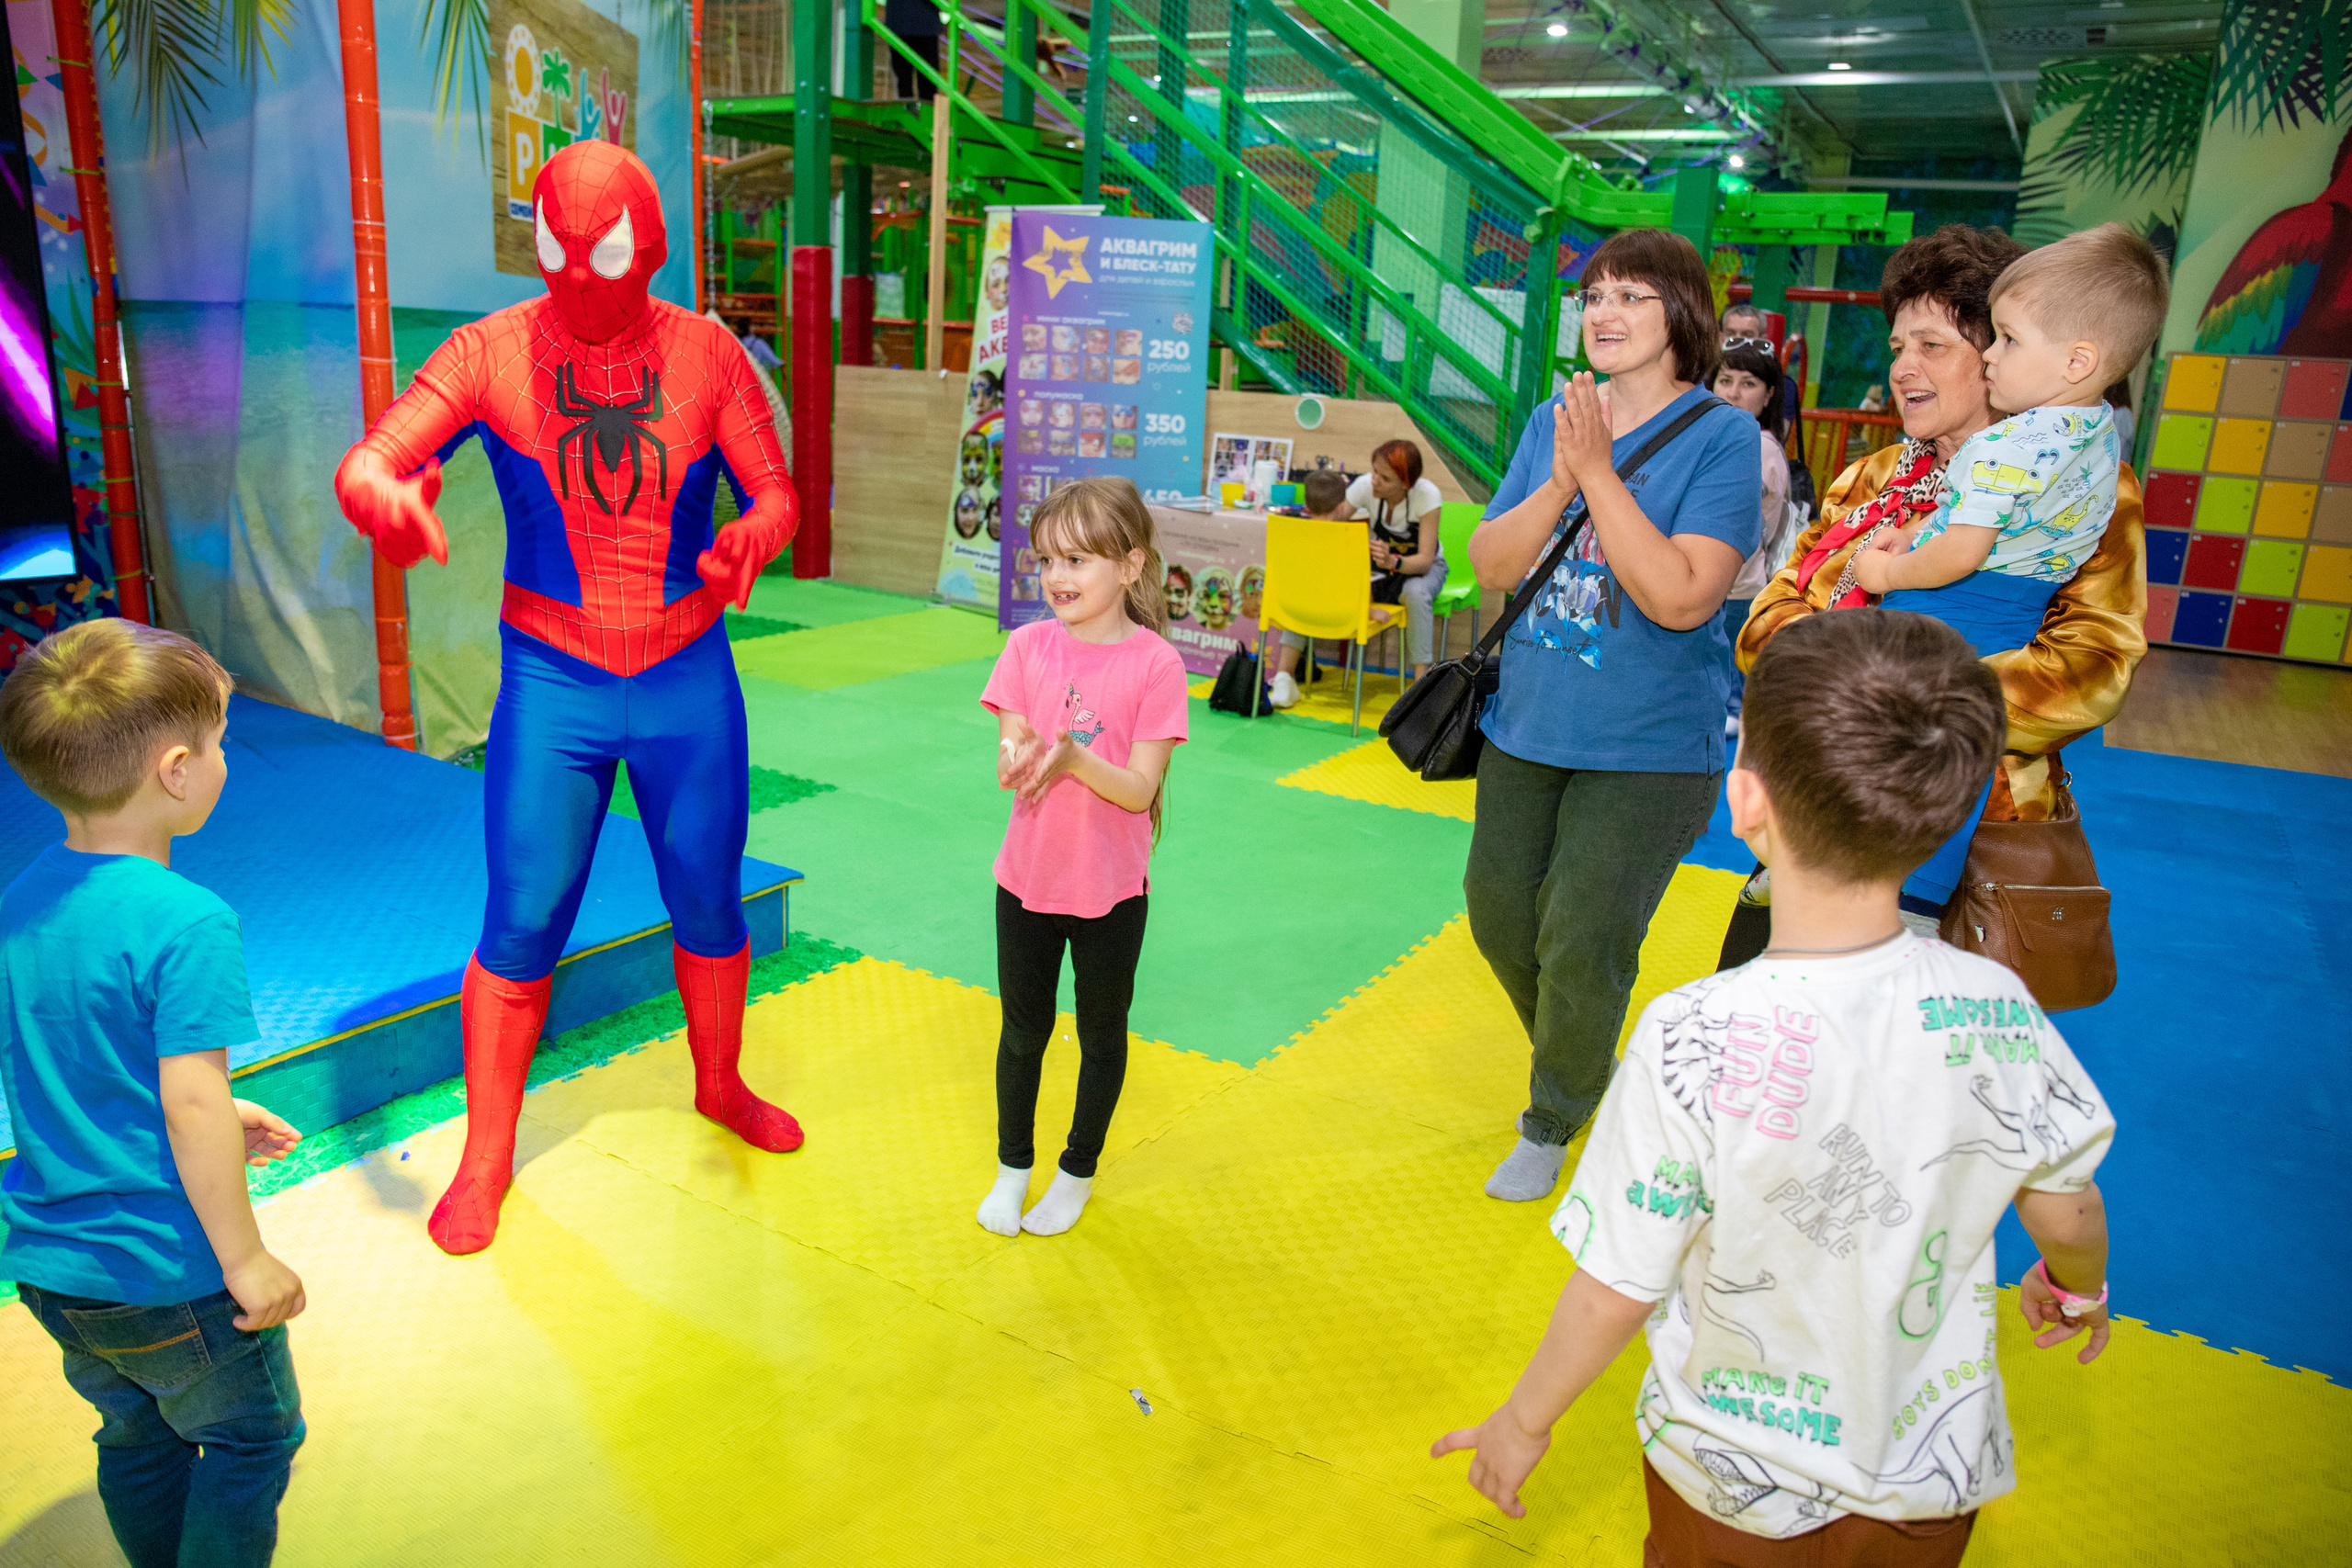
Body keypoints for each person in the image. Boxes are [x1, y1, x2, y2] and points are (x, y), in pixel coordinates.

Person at [1434, 610, 2117, 1562]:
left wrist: (1524, 1420)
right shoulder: (1995, 1005)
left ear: (1744, 801)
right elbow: (2069, 1213)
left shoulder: (1691, 1034)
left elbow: (1615, 1285)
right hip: (1928, 1471)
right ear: (1947, 810)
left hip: (1726, 1475)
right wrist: (2078, 1291)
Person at [333, 141, 802, 1255]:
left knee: (707, 894)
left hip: (688, 674)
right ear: (537, 240)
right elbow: (371, 458)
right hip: (554, 681)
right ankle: (486, 1156)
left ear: (650, 247)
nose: (584, 277)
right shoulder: (489, 349)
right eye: (562, 250)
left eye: (608, 252)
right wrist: (381, 498)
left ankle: (720, 1082)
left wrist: (752, 536)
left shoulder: (708, 351)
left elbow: (775, 488)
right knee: (523, 915)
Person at [1722, 224, 2154, 964]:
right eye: (1897, 347)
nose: (1903, 367)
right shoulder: (1873, 478)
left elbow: (2095, 663)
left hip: (1974, 829)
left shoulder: (2083, 490)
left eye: (1933, 345)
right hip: (1816, 804)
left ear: (1997, 356)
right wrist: (1852, 690)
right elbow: (1771, 617)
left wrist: (1916, 709)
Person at [0, 620, 310, 1568]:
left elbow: (71, 1058)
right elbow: (190, 1104)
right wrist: (247, 1259)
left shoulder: (21, 896)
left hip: (57, 1271)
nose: (223, 761)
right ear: (177, 769)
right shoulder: (188, 922)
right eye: (218, 744)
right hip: (168, 1275)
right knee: (253, 1438)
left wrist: (224, 1118)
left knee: (137, 1436)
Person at [1464, 228, 1762, 1203]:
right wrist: (1562, 468)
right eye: (1593, 294)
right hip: (1527, 725)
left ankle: (1554, 1113)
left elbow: (1681, 596)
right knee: (1501, 915)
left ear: (1681, 314)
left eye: (1631, 295)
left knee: (1582, 936)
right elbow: (1492, 566)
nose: (1602, 311)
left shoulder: (1723, 439)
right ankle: (1586, 1055)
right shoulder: (1556, 418)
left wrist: (1595, 472)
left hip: (1645, 749)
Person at [978, 476, 1189, 1238]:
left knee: (1101, 1034)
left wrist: (1071, 760)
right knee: (1022, 1033)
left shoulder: (1158, 664)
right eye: (1047, 561)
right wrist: (1023, 752)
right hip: (1025, 882)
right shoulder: (1026, 645)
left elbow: (1138, 790)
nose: (1058, 577)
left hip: (1110, 894)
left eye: (1078, 560)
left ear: (1130, 566)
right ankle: (1012, 1168)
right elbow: (1010, 749)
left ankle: (1076, 1171)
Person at [1852, 224, 2170, 664]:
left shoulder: (2003, 448)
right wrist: (1917, 538)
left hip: (1934, 630)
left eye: (2008, 340)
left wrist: (1888, 572)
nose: (1991, 356)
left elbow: (1964, 550)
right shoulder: (2097, 436)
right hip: (2014, 629)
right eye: (1897, 348)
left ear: (2077, 361)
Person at [1711, 339, 1799, 733]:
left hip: (1735, 587)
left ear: (1768, 396)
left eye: (1748, 383)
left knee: (1728, 704)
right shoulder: (1729, 440)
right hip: (1726, 584)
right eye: (1725, 379)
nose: (1732, 392)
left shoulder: (1756, 446)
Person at [1262, 468, 1352, 707]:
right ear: (1342, 506)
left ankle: (1282, 677)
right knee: (1308, 602)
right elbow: (1354, 584)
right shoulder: (1349, 536)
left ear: (1306, 505)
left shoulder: (1293, 531)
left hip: (1295, 610)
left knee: (1300, 606)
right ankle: (1283, 680)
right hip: (1342, 614)